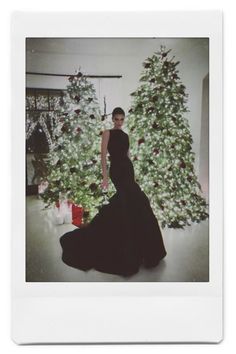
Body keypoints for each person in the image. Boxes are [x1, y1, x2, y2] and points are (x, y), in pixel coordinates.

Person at [59, 107, 167, 277]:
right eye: (116, 119)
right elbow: (103, 155)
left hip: (127, 169)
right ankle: (124, 246)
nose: (119, 122)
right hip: (116, 170)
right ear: (112, 119)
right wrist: (105, 177)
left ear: (124, 120)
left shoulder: (125, 135)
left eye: (121, 119)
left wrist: (134, 175)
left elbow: (128, 155)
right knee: (125, 201)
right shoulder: (107, 133)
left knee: (135, 202)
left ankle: (140, 247)